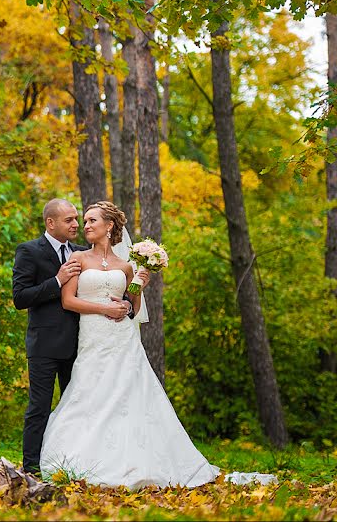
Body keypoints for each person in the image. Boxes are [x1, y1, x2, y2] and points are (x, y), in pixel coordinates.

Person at [39, 200, 217, 489]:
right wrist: (103, 310)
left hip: (123, 337)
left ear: (109, 226)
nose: (85, 227)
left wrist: (139, 286)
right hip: (94, 336)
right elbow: (68, 301)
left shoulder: (126, 266)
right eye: (83, 222)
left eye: (91, 221)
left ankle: (136, 458)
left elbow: (132, 308)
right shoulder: (78, 260)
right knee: (89, 390)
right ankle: (76, 458)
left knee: (129, 392)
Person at [12, 198, 148, 478]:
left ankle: (82, 461)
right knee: (40, 406)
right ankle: (32, 468)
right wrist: (58, 280)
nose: (78, 224)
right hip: (46, 344)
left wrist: (129, 297)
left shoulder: (83, 252)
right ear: (51, 223)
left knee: (81, 406)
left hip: (84, 343)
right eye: (72, 220)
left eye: (82, 220)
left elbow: (124, 299)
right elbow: (20, 297)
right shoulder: (29, 251)